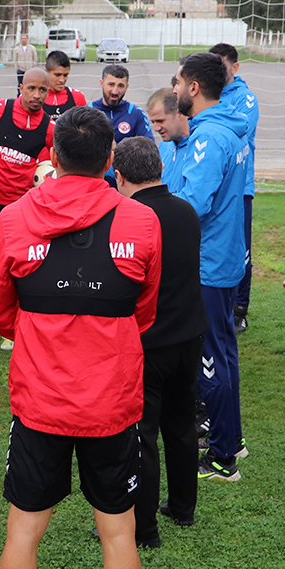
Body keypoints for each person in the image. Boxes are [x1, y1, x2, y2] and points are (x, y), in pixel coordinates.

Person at [0, 105, 162, 569]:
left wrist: (44, 334)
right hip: (111, 403)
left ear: (53, 156)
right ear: (110, 159)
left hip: (41, 402)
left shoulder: (14, 218)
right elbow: (143, 312)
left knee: (24, 529)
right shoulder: (141, 221)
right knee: (118, 529)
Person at [112, 136, 208, 547]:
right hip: (189, 335)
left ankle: (143, 527)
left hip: (148, 341)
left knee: (142, 433)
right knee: (182, 424)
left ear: (119, 176)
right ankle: (184, 507)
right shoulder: (186, 210)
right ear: (161, 167)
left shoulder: (129, 217)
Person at [170, 53, 251, 481]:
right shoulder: (227, 130)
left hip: (207, 263)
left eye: (177, 82)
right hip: (223, 258)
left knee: (211, 361)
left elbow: (192, 205)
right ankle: (231, 439)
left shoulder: (208, 137)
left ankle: (222, 458)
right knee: (224, 354)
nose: (174, 90)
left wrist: (156, 211)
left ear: (194, 87)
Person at [0, 69, 55, 253]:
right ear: (21, 88)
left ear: (48, 92)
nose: (37, 95)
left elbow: (62, 163)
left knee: (20, 253)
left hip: (23, 204)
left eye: (42, 90)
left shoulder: (49, 127)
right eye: (31, 88)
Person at [210, 44, 259, 334]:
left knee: (240, 248)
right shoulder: (209, 92)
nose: (217, 71)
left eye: (222, 65)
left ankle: (240, 309)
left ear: (235, 67)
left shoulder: (245, 98)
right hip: (212, 182)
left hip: (239, 186)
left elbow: (239, 132)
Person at [90, 65, 154, 143]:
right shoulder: (88, 111)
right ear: (101, 83)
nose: (115, 91)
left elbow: (149, 146)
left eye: (120, 86)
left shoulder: (136, 113)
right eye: (111, 84)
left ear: (126, 87)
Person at [147, 88, 190, 189]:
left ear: (179, 114)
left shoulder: (199, 147)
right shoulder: (164, 147)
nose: (156, 128)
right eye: (153, 122)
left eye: (160, 121)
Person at [43, 50, 86, 119]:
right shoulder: (35, 97)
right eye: (57, 75)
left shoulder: (77, 96)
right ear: (46, 72)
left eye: (65, 75)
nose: (62, 80)